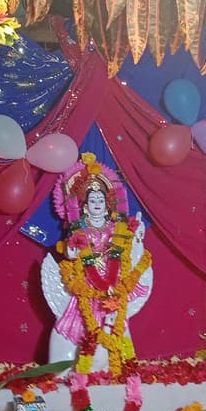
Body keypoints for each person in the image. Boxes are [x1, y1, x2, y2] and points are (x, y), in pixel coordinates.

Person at [40, 153, 152, 377]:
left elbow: (124, 251)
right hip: (87, 287)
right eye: (92, 201)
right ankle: (69, 367)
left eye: (101, 200)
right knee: (74, 324)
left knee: (118, 324)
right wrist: (72, 252)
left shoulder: (116, 228)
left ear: (107, 203)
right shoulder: (79, 229)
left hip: (113, 286)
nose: (97, 204)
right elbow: (71, 251)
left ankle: (116, 368)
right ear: (84, 206)